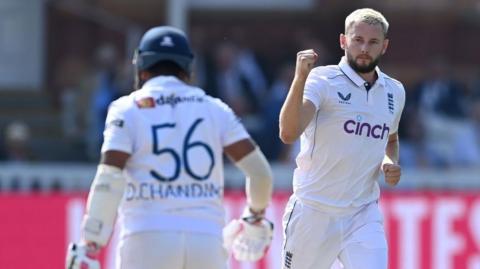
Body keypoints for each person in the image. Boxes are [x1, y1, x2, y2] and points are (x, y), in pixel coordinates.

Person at [66, 26, 274, 269]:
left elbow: (109, 177)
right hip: (205, 240)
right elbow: (260, 173)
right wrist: (255, 216)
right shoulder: (216, 109)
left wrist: (91, 240)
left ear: (141, 68)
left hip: (146, 236)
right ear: (188, 69)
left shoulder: (126, 109)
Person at [279, 8, 405, 269]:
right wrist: (299, 78)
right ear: (343, 41)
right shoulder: (322, 79)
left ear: (385, 46)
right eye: (357, 40)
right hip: (313, 211)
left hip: (362, 213)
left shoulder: (394, 90)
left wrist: (389, 162)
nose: (364, 49)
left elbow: (390, 139)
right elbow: (288, 133)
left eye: (373, 42)